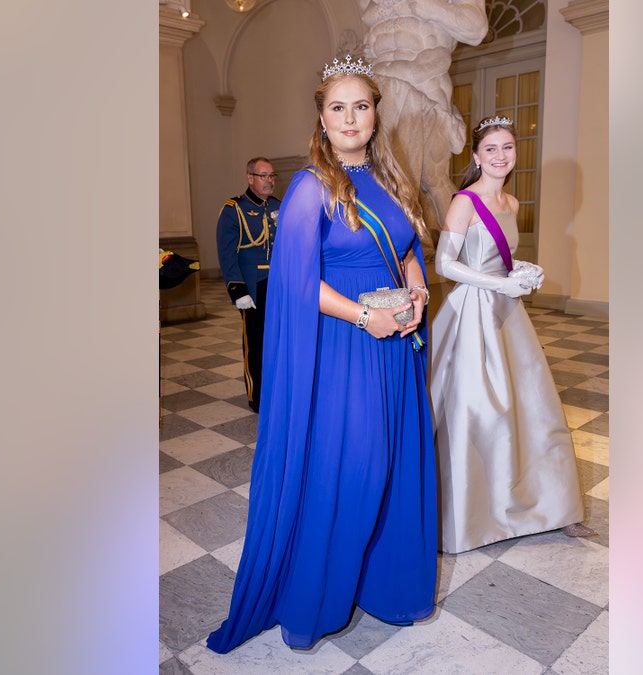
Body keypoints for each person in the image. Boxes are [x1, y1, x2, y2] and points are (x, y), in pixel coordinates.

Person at [207, 56, 437, 653]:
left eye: (361, 105)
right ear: (322, 117)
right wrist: (366, 315)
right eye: (338, 107)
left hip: (396, 348)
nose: (351, 117)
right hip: (347, 348)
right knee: (352, 469)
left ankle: (383, 586)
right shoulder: (313, 187)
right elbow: (295, 280)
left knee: (393, 467)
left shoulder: (393, 180)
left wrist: (417, 286)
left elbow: (407, 245)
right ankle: (317, 598)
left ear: (376, 114)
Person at [429, 116, 595, 555]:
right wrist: (497, 284)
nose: (501, 156)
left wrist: (517, 274)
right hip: (474, 313)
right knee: (480, 409)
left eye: (508, 148)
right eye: (491, 149)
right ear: (477, 156)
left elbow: (500, 259)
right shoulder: (465, 200)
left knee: (534, 409)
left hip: (508, 312)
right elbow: (444, 264)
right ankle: (472, 516)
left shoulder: (514, 202)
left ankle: (550, 507)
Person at [358, 0, 488, 226]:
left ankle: (457, 245)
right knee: (384, 173)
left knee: (430, 178)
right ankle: (412, 243)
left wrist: (421, 5)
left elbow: (476, 28)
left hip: (423, 81)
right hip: (377, 84)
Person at [215, 157, 281, 412]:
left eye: (272, 176)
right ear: (250, 177)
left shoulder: (278, 206)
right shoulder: (234, 209)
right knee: (256, 344)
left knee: (278, 341)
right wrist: (237, 288)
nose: (269, 181)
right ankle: (258, 396)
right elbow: (227, 253)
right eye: (263, 176)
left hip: (279, 286)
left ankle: (277, 391)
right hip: (253, 288)